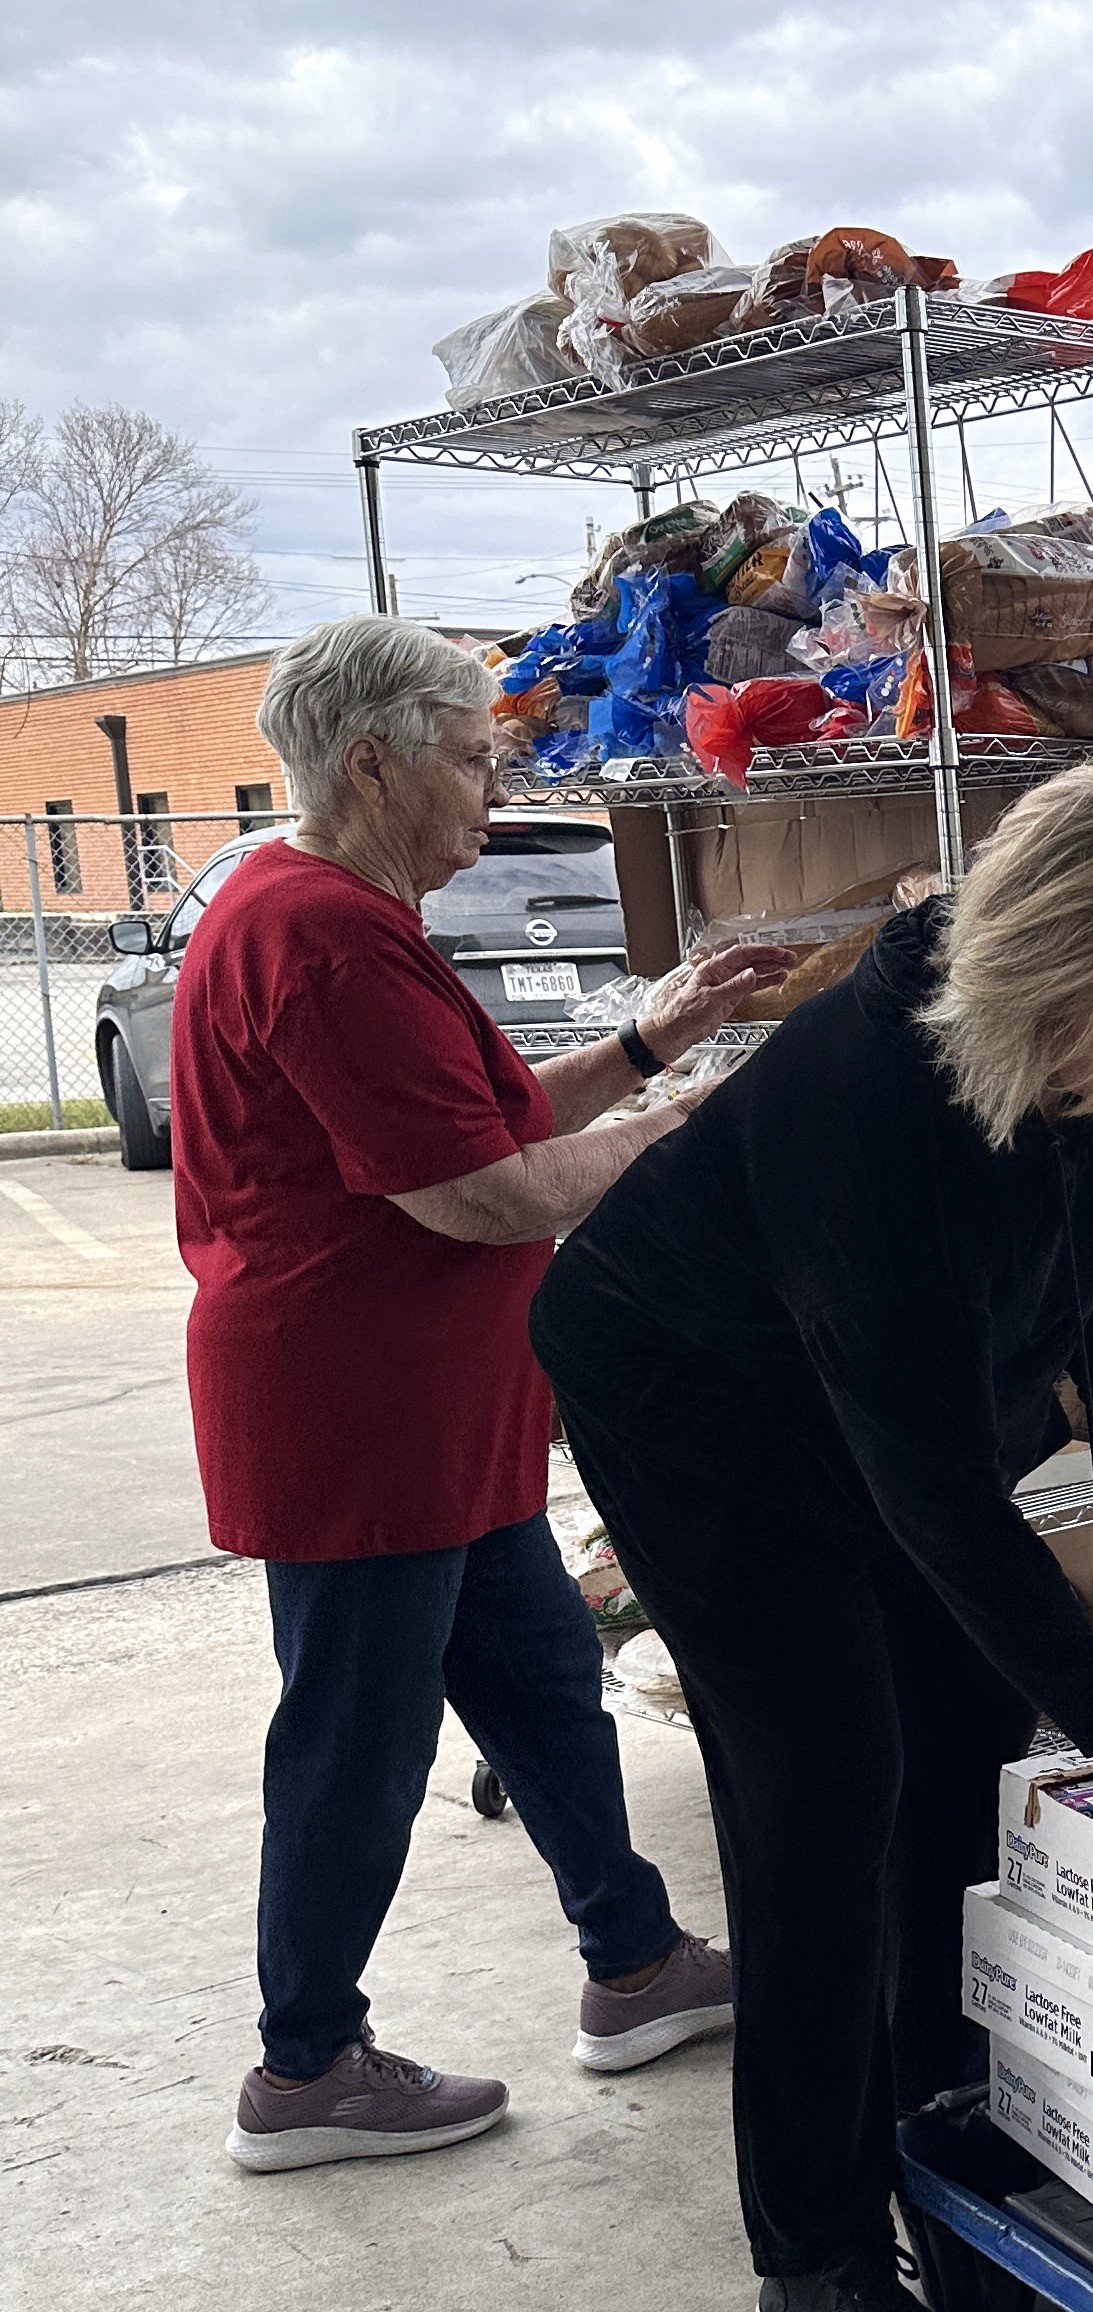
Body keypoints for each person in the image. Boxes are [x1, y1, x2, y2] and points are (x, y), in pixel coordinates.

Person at [530, 762, 1093, 2312]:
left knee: (955, 1731)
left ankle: (938, 2145)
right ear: (1052, 993)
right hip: (696, 1400)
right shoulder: (869, 1111)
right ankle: (812, 2251)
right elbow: (928, 1487)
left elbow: (1073, 1240)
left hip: (871, 1388)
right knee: (821, 1785)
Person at [176, 615, 790, 2174]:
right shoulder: (319, 933)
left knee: (537, 1688)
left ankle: (636, 1962)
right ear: (369, 762)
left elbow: (485, 1116)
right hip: (362, 1418)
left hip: (444, 1415)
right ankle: (305, 2066)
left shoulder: (324, 902)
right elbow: (486, 1194)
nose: (489, 796)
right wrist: (692, 1128)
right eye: (468, 762)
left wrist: (653, 1040)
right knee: (356, 1742)